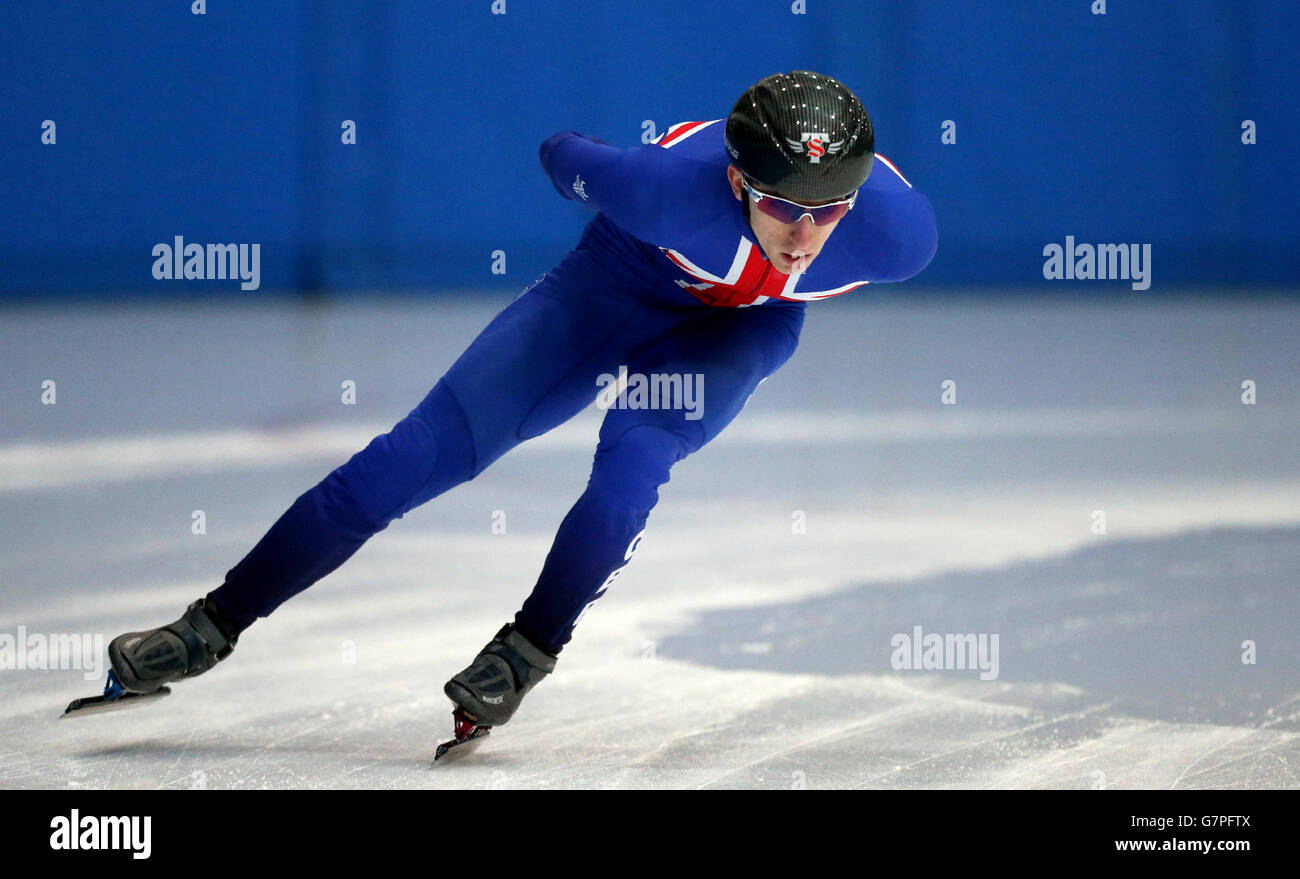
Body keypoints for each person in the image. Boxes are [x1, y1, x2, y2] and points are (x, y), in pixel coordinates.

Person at [100, 71, 937, 742]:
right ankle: (209, 625)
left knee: (633, 468)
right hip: (617, 283)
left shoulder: (899, 236)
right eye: (784, 206)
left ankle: (527, 649)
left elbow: (825, 229)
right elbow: (558, 151)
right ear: (735, 178)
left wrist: (811, 221)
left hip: (734, 332)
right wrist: (599, 163)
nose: (805, 232)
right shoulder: (658, 190)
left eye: (828, 210)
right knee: (405, 462)